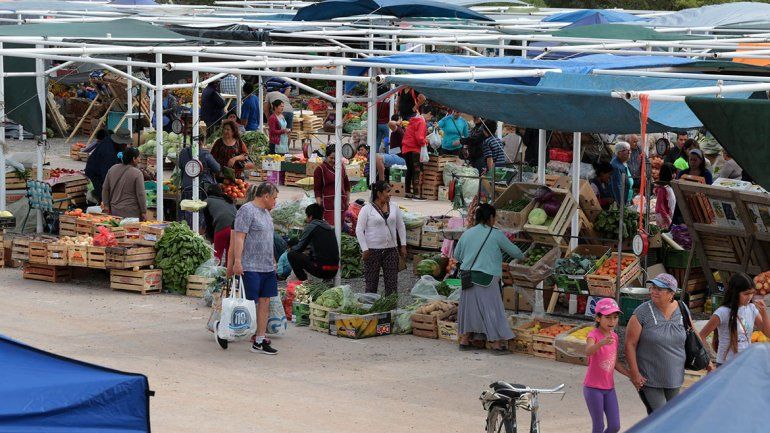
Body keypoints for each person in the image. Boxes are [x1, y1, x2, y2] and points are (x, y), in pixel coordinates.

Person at [624, 273, 712, 414]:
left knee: (671, 417)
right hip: (649, 378)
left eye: (659, 289)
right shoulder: (641, 313)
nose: (653, 291)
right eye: (652, 287)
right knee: (660, 416)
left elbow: (694, 334)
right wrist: (634, 373)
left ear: (671, 294)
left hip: (674, 377)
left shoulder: (682, 309)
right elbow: (630, 344)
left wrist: (707, 361)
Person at [453, 204, 524, 353]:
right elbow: (516, 253)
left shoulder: (468, 233)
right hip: (487, 277)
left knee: (469, 310)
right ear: (491, 217)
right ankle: (497, 344)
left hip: (467, 277)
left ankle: (465, 340)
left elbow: (457, 255)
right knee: (493, 310)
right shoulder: (495, 234)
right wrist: (524, 256)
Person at [232, 182, 280, 355]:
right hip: (250, 265)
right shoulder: (246, 210)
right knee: (248, 302)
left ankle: (259, 339)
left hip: (266, 266)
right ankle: (224, 327)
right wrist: (237, 261)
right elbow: (239, 238)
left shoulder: (267, 214)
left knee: (265, 301)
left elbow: (268, 239)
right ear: (265, 196)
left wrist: (273, 260)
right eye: (274, 198)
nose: (275, 201)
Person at [699, 273, 770, 367]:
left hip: (745, 363)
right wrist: (708, 362)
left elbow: (768, 333)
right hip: (726, 365)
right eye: (746, 294)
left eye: (752, 293)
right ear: (735, 293)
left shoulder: (751, 308)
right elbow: (701, 336)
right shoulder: (722, 312)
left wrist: (764, 313)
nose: (749, 297)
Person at [584, 298, 630, 433]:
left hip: (609, 388)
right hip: (593, 389)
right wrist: (601, 343)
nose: (612, 321)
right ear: (598, 318)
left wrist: (630, 374)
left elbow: (614, 362)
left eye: (615, 317)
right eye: (608, 317)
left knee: (615, 426)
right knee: (598, 427)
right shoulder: (593, 335)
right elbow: (587, 351)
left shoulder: (614, 336)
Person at [355, 181, 406, 296]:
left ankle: (391, 311)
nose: (390, 194)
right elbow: (359, 230)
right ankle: (370, 309)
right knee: (371, 284)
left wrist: (403, 245)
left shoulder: (394, 207)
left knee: (392, 284)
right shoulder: (367, 209)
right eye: (387, 191)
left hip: (391, 250)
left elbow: (400, 226)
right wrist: (365, 249)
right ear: (379, 193)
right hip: (372, 251)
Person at [288, 203, 340, 282]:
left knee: (291, 254)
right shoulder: (328, 226)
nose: (306, 219)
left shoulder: (311, 226)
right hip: (334, 270)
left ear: (311, 216)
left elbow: (299, 248)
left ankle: (305, 282)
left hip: (322, 270)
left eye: (307, 216)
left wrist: (291, 248)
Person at [178, 142, 222, 230]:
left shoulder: (183, 152)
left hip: (186, 186)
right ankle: (198, 231)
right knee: (199, 212)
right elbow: (217, 168)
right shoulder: (205, 154)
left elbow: (180, 166)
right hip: (201, 188)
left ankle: (185, 230)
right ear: (201, 142)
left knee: (185, 211)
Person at [101, 147, 147, 220]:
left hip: (114, 211)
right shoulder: (137, 173)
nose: (139, 160)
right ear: (133, 159)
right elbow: (141, 194)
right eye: (138, 157)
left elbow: (105, 189)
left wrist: (106, 205)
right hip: (131, 213)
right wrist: (144, 211)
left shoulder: (112, 168)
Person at [313, 144, 351, 227]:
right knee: (331, 229)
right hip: (328, 206)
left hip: (342, 204)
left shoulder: (341, 167)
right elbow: (317, 190)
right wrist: (319, 206)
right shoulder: (320, 169)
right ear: (326, 156)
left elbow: (347, 185)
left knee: (339, 228)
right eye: (331, 158)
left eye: (336, 158)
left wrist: (347, 200)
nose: (333, 160)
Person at [401, 108, 433, 201]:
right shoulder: (421, 122)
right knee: (416, 171)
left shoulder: (413, 120)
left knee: (409, 170)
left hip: (406, 148)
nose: (429, 119)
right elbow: (419, 138)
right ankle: (416, 195)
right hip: (414, 149)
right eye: (430, 117)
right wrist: (426, 141)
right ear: (429, 113)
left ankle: (407, 193)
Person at [85, 130, 123, 203]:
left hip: (100, 170)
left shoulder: (116, 145)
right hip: (96, 173)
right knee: (104, 193)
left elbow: (120, 158)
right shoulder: (108, 149)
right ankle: (96, 198)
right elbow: (106, 171)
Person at [203, 184, 236, 262]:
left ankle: (216, 273)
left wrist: (210, 237)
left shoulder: (208, 201)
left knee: (217, 256)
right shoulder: (227, 200)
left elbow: (208, 222)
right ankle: (228, 273)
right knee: (230, 255)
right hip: (235, 229)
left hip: (222, 228)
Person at [654, 163, 677, 230]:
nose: (675, 175)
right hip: (663, 218)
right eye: (672, 173)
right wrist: (668, 220)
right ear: (667, 174)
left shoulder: (669, 187)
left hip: (668, 217)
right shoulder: (662, 189)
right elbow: (660, 207)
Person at [610, 141, 633, 206]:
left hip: (627, 200)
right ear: (619, 153)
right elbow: (617, 186)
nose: (629, 152)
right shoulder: (615, 166)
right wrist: (621, 206)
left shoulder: (624, 163)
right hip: (621, 203)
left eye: (629, 150)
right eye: (626, 150)